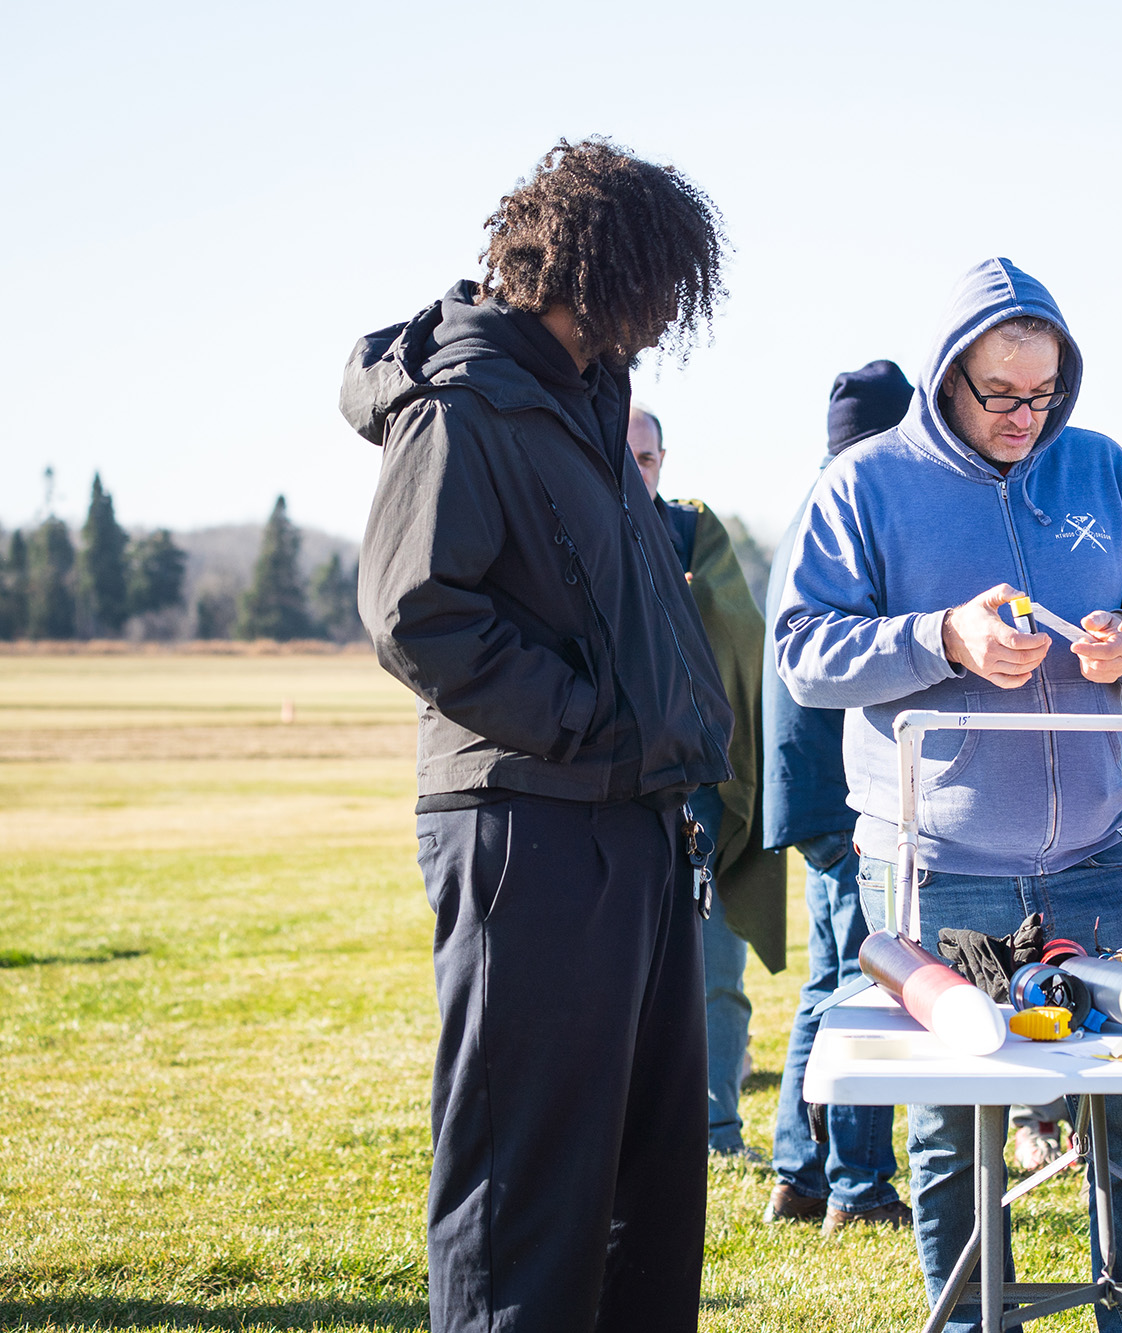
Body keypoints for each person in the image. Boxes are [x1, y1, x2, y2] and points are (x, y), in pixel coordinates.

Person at [775, 257, 1122, 1332]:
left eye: (1045, 393)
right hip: (933, 865)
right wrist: (939, 638)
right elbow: (801, 653)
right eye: (1001, 395)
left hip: (1100, 855)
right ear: (946, 376)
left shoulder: (1103, 472)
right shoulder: (865, 484)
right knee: (952, 1127)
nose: (1026, 417)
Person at [345, 139, 730, 1333]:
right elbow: (415, 612)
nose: (667, 315)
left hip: (633, 820)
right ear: (587, 268)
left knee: (645, 1171)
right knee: (527, 1177)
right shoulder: (465, 404)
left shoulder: (586, 396)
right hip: (526, 824)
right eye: (657, 282)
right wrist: (586, 723)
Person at [763, 361, 917, 1232]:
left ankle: (800, 1171)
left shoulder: (810, 507)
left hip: (808, 786)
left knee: (828, 984)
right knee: (868, 987)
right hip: (843, 794)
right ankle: (857, 1186)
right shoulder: (858, 512)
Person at [625, 402, 788, 1160]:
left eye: (648, 457)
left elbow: (740, 646)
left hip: (694, 792)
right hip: (605, 795)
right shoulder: (565, 529)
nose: (636, 470)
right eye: (623, 455)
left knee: (716, 970)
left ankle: (718, 1129)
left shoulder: (693, 532)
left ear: (664, 458)